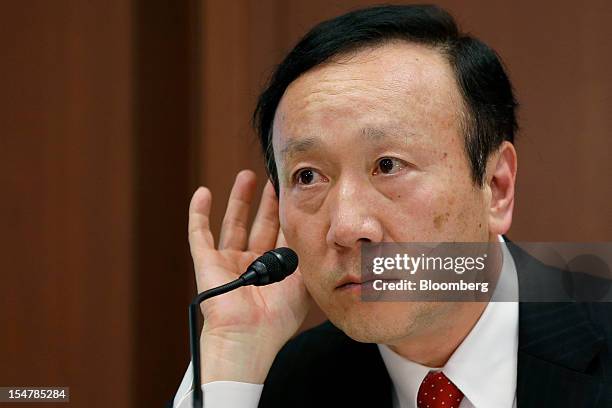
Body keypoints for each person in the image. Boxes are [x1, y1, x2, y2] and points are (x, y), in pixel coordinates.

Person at [173, 5, 612, 407]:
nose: (346, 227)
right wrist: (234, 352)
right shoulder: (275, 384)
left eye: (388, 165)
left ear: (496, 187)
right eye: (308, 176)